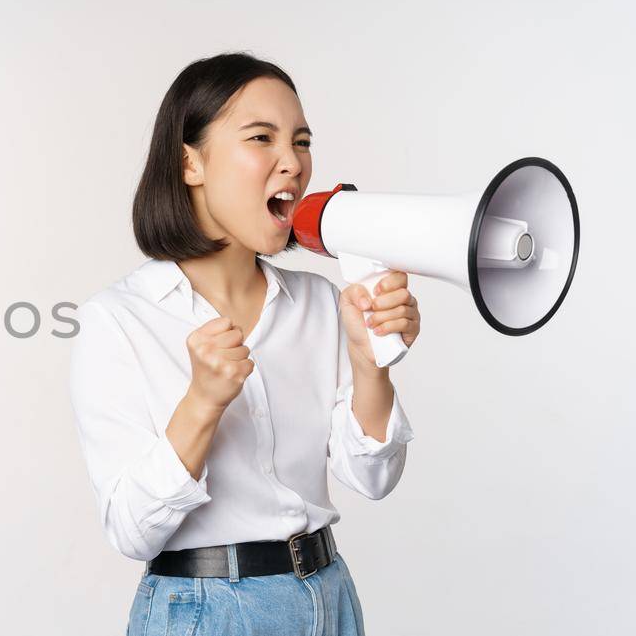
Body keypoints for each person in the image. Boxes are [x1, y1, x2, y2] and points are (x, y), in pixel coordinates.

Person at [68, 53, 422, 636]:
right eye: (262, 138)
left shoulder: (318, 302)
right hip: (205, 610)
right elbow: (132, 532)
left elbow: (374, 480)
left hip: (329, 596)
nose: (294, 163)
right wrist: (202, 403)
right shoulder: (119, 320)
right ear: (190, 163)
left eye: (302, 142)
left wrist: (370, 365)